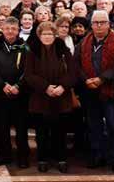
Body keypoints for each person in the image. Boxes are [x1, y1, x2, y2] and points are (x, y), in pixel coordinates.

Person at [75, 11, 114, 173]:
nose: (99, 26)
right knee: (94, 126)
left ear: (108, 24)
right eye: (96, 23)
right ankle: (98, 155)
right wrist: (86, 80)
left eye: (102, 22)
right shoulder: (84, 42)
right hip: (90, 92)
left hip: (110, 91)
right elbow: (76, 64)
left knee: (113, 125)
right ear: (91, 25)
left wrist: (102, 79)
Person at [24, 22, 76, 173]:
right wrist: (45, 87)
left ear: (55, 35)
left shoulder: (63, 49)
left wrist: (62, 86)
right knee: (41, 132)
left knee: (60, 131)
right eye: (44, 34)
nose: (47, 37)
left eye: (50, 34)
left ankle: (61, 159)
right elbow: (29, 74)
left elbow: (73, 72)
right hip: (41, 97)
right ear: (39, 36)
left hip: (61, 96)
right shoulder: (32, 50)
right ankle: (42, 159)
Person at [0, 16, 30, 168]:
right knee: (1, 127)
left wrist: (18, 86)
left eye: (13, 29)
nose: (10, 31)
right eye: (7, 28)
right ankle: (4, 155)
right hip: (1, 93)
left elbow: (29, 69)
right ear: (2, 29)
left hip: (20, 94)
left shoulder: (24, 46)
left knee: (21, 127)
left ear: (18, 30)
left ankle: (23, 156)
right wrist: (1, 84)